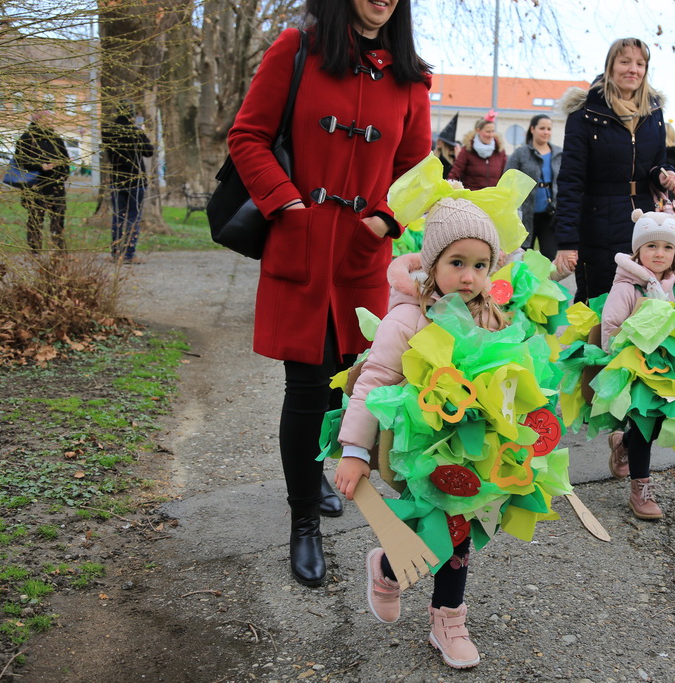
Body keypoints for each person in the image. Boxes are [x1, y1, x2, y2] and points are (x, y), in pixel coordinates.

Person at [329, 167, 571, 669]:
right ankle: (391, 569)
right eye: (457, 263)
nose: (468, 277)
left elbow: (513, 379)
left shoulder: (492, 317)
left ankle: (447, 617)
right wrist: (354, 452)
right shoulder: (407, 318)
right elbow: (373, 382)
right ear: (432, 263)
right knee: (433, 523)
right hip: (415, 448)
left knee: (460, 528)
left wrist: (528, 431)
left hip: (474, 449)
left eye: (480, 265)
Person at [226, 0, 432, 587]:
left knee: (350, 382)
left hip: (364, 258)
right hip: (300, 246)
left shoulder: (410, 78)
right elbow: (247, 136)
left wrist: (383, 220)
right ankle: (304, 522)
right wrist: (287, 204)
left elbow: (416, 169)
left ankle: (320, 473)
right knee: (306, 386)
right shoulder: (298, 49)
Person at [554, 37, 675, 304]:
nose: (633, 69)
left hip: (643, 222)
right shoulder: (584, 114)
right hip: (598, 222)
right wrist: (566, 242)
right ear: (610, 66)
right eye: (625, 62)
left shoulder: (654, 112)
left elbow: (658, 162)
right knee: (597, 301)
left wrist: (664, 173)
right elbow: (570, 182)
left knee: (642, 301)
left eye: (640, 64)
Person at [600, 209, 675, 520]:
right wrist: (620, 358)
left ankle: (622, 443)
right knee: (645, 424)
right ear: (638, 251)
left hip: (667, 370)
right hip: (634, 369)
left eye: (667, 247)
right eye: (651, 246)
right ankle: (641, 489)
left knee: (659, 422)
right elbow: (610, 327)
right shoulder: (627, 287)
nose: (660, 254)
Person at [102, 101, 154, 264]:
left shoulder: (108, 132)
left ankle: (116, 252)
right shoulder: (135, 132)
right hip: (135, 180)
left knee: (118, 217)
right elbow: (149, 152)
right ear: (131, 114)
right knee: (133, 217)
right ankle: (129, 254)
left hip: (117, 179)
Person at [504, 114, 562, 259]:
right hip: (525, 215)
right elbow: (508, 179)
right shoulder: (521, 153)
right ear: (532, 129)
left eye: (549, 129)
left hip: (550, 215)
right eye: (542, 128)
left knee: (550, 256)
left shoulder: (559, 153)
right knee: (522, 256)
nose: (546, 132)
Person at [15, 110, 69, 252]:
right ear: (39, 120)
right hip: (35, 186)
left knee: (58, 219)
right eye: (49, 119)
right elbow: (21, 161)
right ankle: (35, 249)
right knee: (35, 218)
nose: (52, 122)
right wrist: (40, 166)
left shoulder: (56, 139)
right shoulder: (26, 138)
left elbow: (65, 161)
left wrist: (62, 175)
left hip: (56, 186)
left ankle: (58, 249)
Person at [447, 112, 506, 191]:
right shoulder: (467, 150)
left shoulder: (500, 151)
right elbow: (455, 173)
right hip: (472, 196)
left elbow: (505, 175)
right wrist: (448, 187)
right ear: (478, 130)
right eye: (488, 131)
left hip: (493, 196)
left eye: (493, 131)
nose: (491, 135)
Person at [433, 112, 459, 179]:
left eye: (441, 140)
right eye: (438, 139)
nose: (438, 141)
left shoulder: (453, 160)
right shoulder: (434, 157)